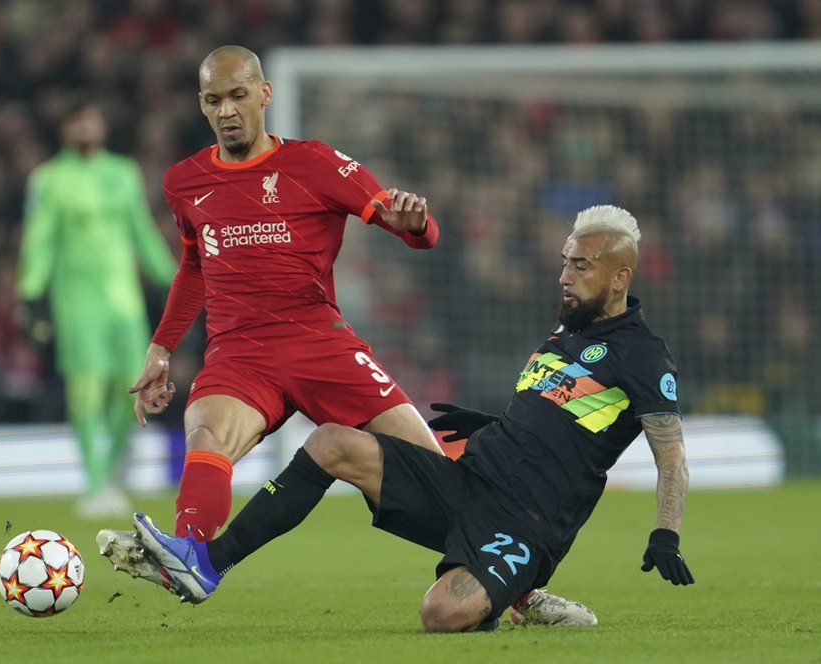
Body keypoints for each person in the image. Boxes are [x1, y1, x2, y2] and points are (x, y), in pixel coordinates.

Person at [98, 205, 694, 632]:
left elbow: (672, 458)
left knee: (442, 614)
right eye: (565, 262)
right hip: (471, 481)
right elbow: (560, 420)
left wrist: (665, 532)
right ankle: (208, 563)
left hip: (527, 524)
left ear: (620, 278)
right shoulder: (567, 332)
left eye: (582, 266)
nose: (565, 275)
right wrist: (490, 423)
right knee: (332, 441)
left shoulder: (643, 356)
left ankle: (518, 589)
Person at [129, 44, 446, 544]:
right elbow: (195, 265)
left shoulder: (315, 163)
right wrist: (161, 346)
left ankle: (518, 587)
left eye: (238, 95)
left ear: (264, 93)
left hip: (320, 341)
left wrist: (418, 224)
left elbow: (409, 227)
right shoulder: (184, 182)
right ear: (201, 104)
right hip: (239, 351)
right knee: (206, 435)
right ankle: (187, 555)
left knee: (433, 474)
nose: (227, 111)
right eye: (214, 100)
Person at [17, 101, 177, 518]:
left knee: (135, 388)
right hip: (77, 303)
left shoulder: (123, 172)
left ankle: (106, 478)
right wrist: (31, 294)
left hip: (124, 303)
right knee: (86, 388)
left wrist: (175, 280)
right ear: (66, 128)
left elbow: (142, 231)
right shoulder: (49, 179)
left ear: (102, 125)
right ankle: (94, 484)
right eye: (78, 120)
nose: (86, 126)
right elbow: (40, 239)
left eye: (92, 118)